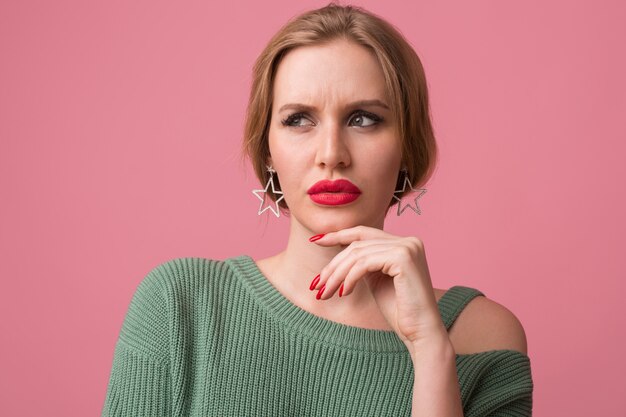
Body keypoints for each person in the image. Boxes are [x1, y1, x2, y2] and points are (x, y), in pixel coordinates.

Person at [101, 3, 533, 416]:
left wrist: (430, 351)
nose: (331, 154)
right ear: (266, 150)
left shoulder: (482, 336)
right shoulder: (180, 305)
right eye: (298, 119)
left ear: (407, 146)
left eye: (363, 118)